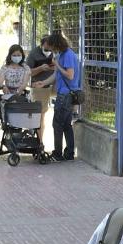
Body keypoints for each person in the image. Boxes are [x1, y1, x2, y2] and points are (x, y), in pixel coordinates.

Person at [47, 31, 80, 162]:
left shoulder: (67, 55)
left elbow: (69, 75)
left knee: (58, 124)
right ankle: (69, 153)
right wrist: (43, 83)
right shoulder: (61, 54)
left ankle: (58, 153)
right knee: (66, 124)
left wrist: (57, 65)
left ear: (56, 45)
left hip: (66, 95)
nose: (51, 50)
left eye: (52, 47)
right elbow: (56, 75)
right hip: (64, 93)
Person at [27, 36, 56, 141]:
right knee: (40, 115)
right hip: (39, 86)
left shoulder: (56, 52)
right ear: (42, 44)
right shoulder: (33, 54)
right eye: (47, 48)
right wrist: (40, 68)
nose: (49, 51)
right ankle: (40, 142)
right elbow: (28, 72)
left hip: (54, 84)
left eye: (51, 48)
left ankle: (74, 111)